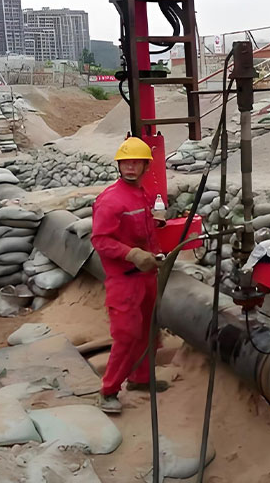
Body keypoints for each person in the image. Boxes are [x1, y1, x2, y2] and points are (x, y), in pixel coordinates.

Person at [91, 137, 169, 414]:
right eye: (125, 162)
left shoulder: (142, 194)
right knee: (126, 334)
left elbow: (144, 225)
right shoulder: (110, 201)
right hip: (125, 279)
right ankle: (108, 391)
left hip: (147, 276)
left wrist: (155, 246)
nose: (130, 167)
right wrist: (132, 254)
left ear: (146, 166)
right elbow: (100, 239)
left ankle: (140, 378)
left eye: (136, 162)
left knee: (149, 329)